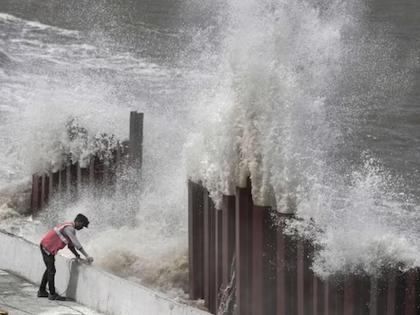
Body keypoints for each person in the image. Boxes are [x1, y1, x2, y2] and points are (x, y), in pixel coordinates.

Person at [37, 213, 94, 301]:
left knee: (49, 269)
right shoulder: (70, 229)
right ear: (78, 222)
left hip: (46, 246)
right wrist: (87, 256)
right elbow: (77, 244)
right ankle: (52, 294)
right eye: (82, 226)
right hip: (47, 247)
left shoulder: (68, 226)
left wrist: (77, 256)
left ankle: (42, 291)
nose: (82, 228)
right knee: (51, 271)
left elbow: (71, 246)